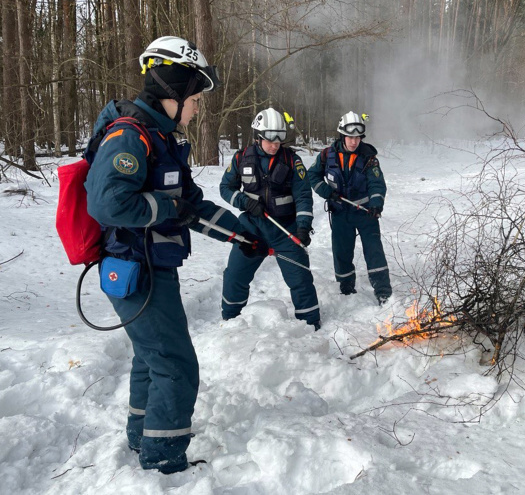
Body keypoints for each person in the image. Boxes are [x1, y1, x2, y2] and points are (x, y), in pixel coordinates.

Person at [84, 36, 266, 474]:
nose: (198, 107)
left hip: (149, 268)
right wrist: (167, 208)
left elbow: (190, 204)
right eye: (196, 98)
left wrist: (240, 234)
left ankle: (143, 438)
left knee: (153, 359)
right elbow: (106, 203)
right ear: (175, 88)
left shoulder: (161, 139)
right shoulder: (131, 137)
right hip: (134, 270)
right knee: (176, 365)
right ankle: (164, 459)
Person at [219, 107, 321, 329]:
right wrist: (243, 201)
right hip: (251, 229)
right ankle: (230, 321)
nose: (275, 145)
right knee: (234, 275)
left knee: (301, 280)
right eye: (269, 140)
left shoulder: (293, 161)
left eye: (279, 140)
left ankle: (310, 324)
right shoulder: (240, 158)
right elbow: (225, 188)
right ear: (258, 137)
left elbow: (303, 196)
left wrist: (303, 227)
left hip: (286, 229)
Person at [307, 111, 392, 304]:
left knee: (374, 251)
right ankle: (345, 288)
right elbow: (313, 176)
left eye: (357, 137)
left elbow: (376, 183)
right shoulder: (327, 155)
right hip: (339, 213)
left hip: (365, 214)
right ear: (342, 135)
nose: (353, 142)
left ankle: (383, 292)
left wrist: (376, 204)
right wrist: (327, 192)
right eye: (350, 137)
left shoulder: (369, 157)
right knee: (342, 252)